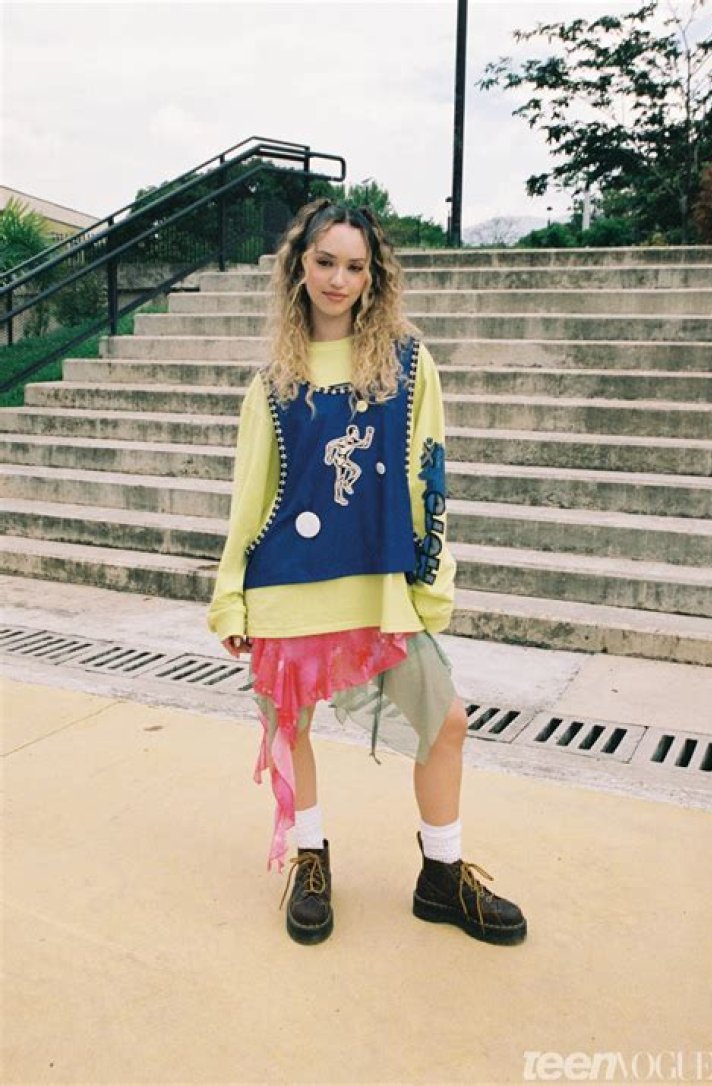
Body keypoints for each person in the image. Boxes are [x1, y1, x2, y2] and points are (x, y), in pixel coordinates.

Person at [207, 198, 527, 948]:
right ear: (299, 266)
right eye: (325, 262)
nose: (338, 279)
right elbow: (249, 495)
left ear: (374, 275)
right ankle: (311, 861)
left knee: (448, 722)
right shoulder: (272, 382)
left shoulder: (407, 364)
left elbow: (429, 477)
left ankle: (441, 874)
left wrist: (431, 579)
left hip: (379, 586)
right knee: (290, 728)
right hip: (285, 584)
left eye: (355, 266)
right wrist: (230, 598)